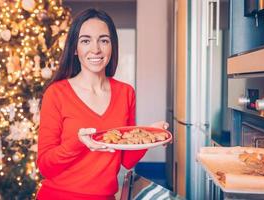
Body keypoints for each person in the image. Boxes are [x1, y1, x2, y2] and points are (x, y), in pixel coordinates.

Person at [36, 8, 169, 200]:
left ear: (112, 46)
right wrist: (79, 142)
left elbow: (127, 160)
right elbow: (45, 166)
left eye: (104, 40)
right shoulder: (56, 94)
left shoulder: (125, 93)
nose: (96, 49)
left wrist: (149, 135)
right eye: (86, 40)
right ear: (75, 48)